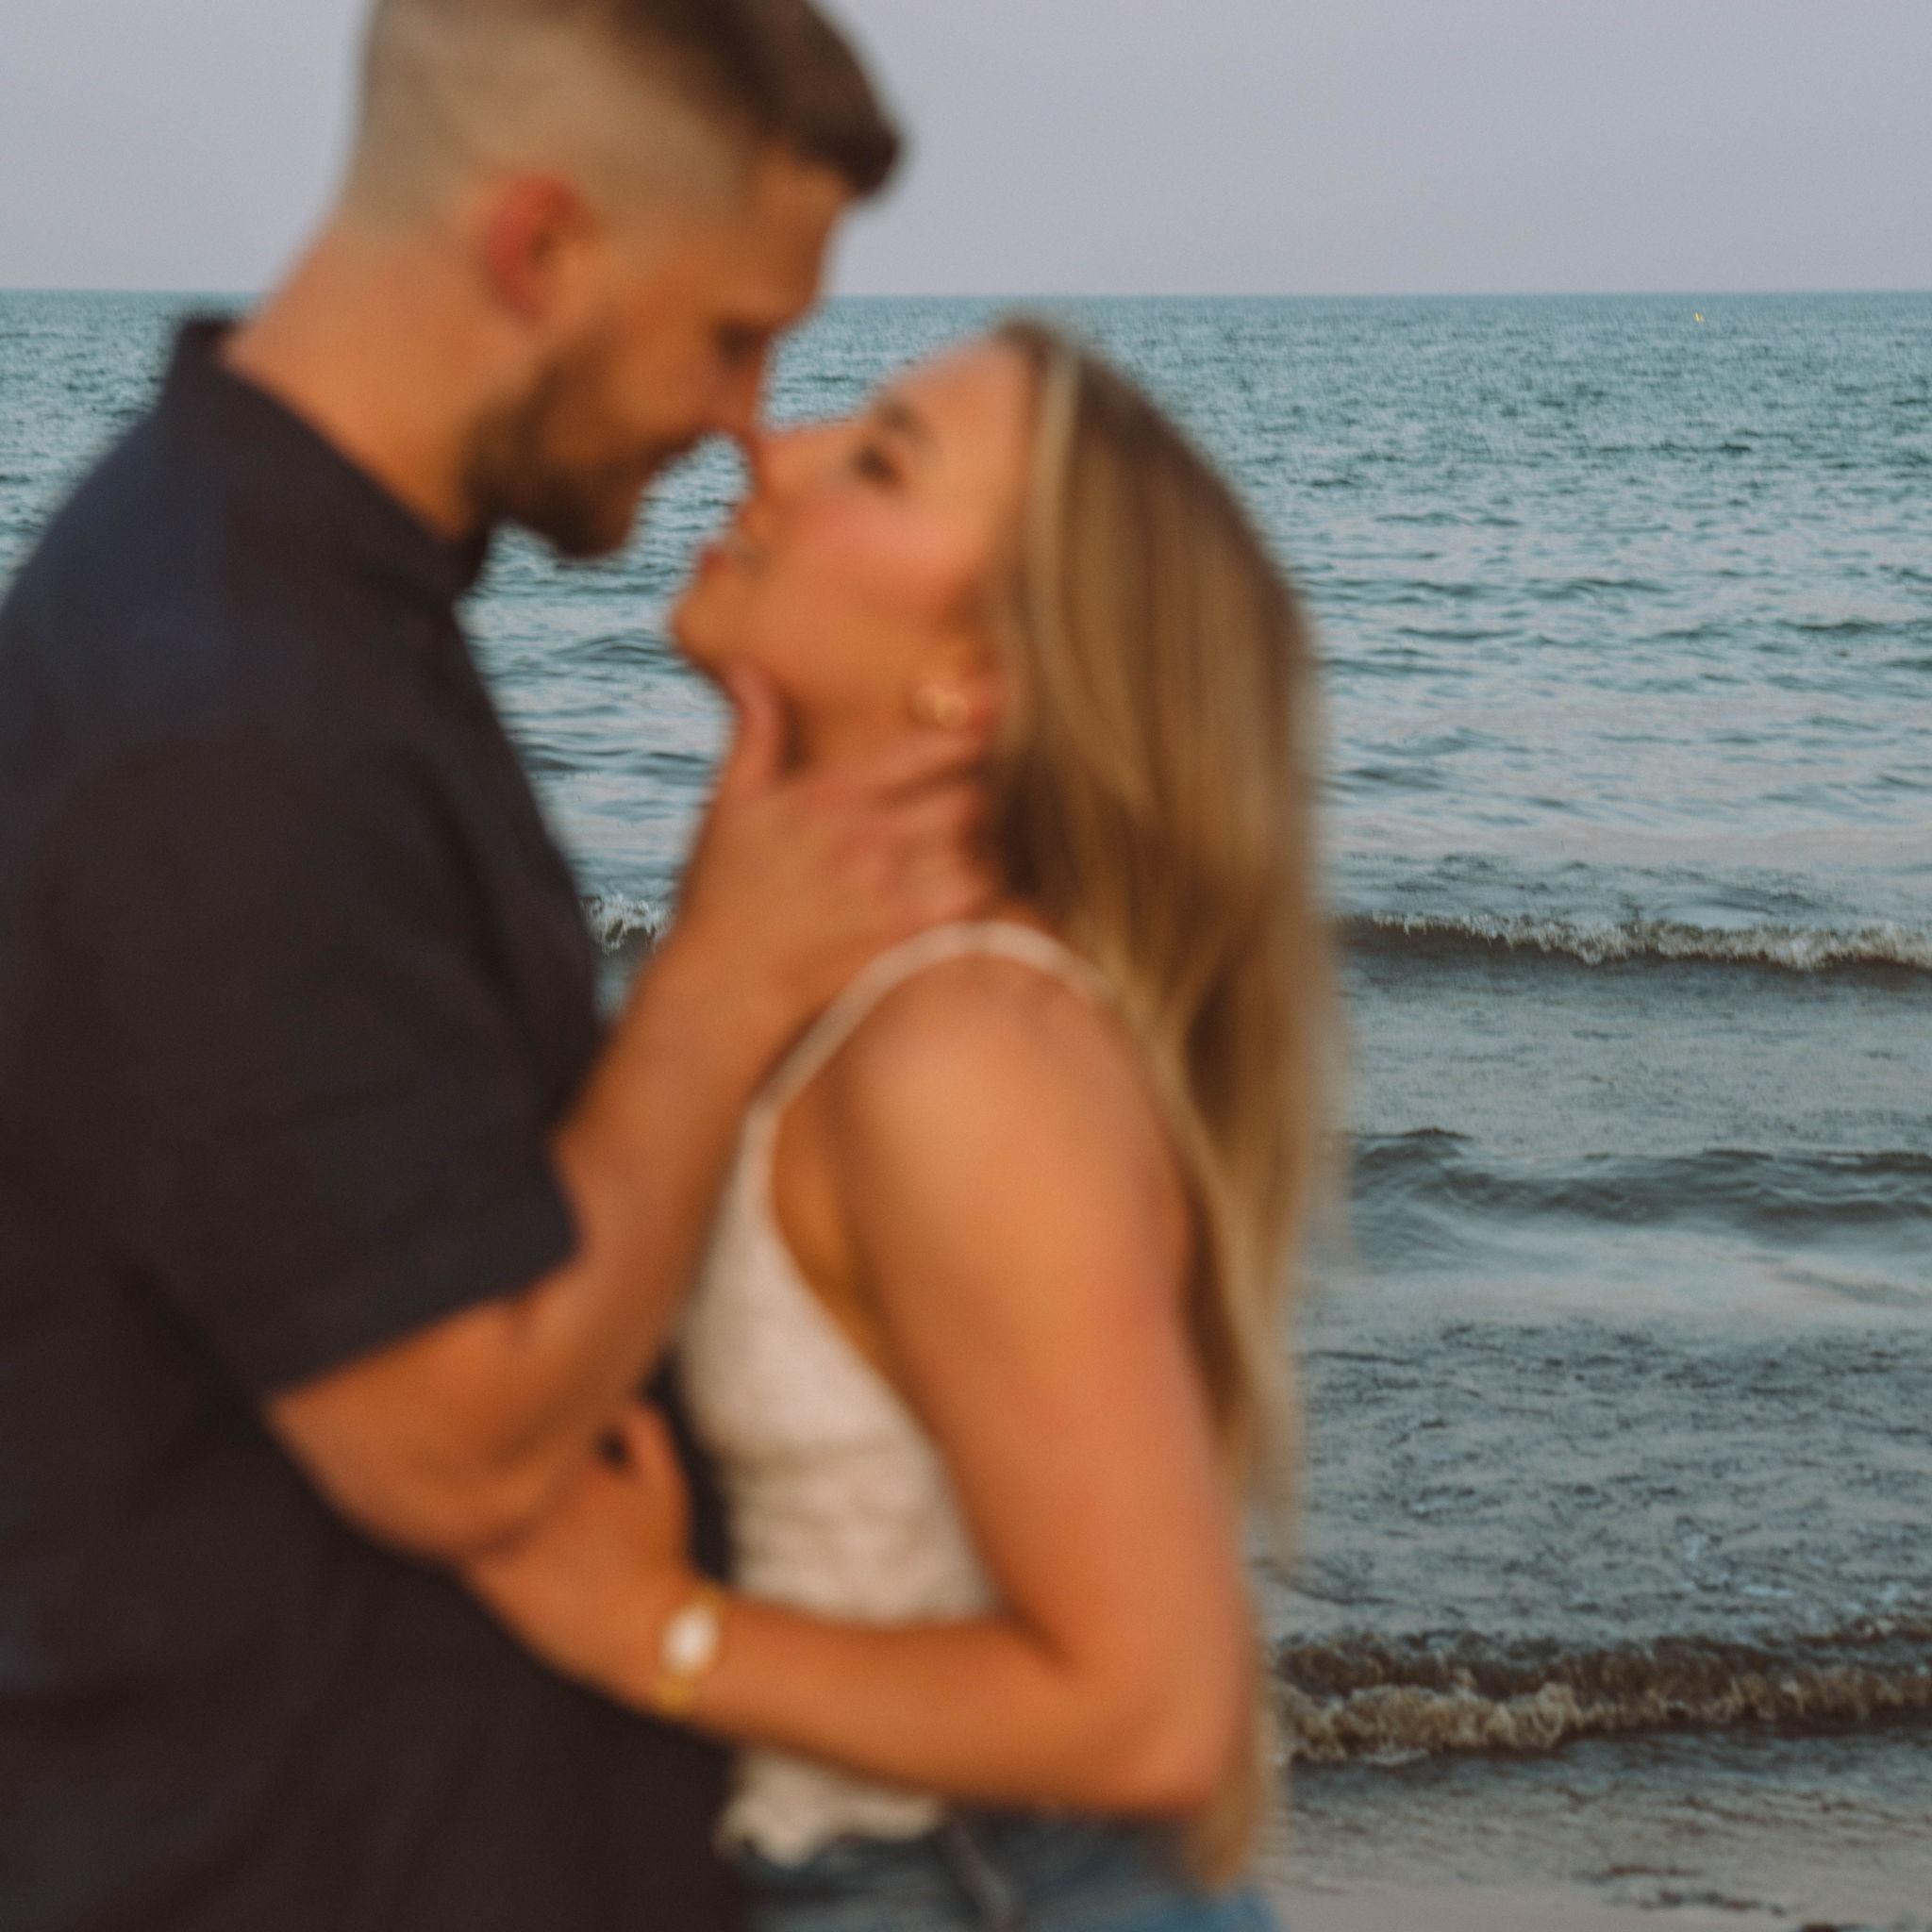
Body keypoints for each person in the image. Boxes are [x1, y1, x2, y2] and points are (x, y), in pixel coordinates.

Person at [0, 4, 991, 1929]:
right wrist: (727, 969)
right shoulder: (221, 716)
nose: (746, 420)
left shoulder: (313, 609)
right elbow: (454, 1444)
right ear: (540, 246)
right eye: (730, 336)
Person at [465, 320, 1340, 1930]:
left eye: (878, 459)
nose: (771, 447)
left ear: (979, 676)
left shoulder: (961, 1053)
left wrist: (652, 1630)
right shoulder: (854, 992)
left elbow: (1151, 1711)